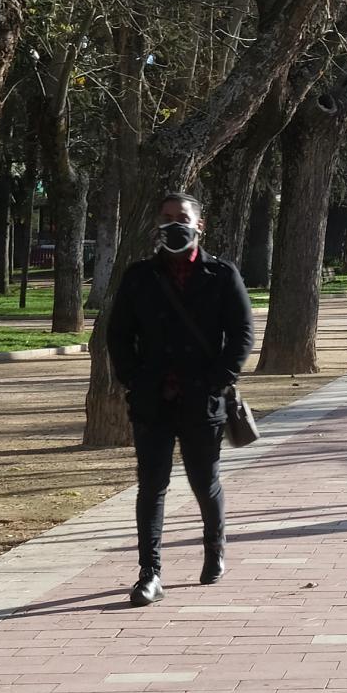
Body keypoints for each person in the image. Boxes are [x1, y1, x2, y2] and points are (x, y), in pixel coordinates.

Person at [107, 192, 256, 607]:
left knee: (203, 482)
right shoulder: (140, 276)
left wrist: (216, 382)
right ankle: (150, 573)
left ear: (198, 225)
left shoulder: (222, 274)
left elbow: (242, 335)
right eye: (167, 217)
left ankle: (215, 547)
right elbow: (118, 334)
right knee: (151, 487)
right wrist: (133, 379)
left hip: (202, 402)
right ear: (158, 224)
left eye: (183, 218)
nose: (175, 224)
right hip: (152, 400)